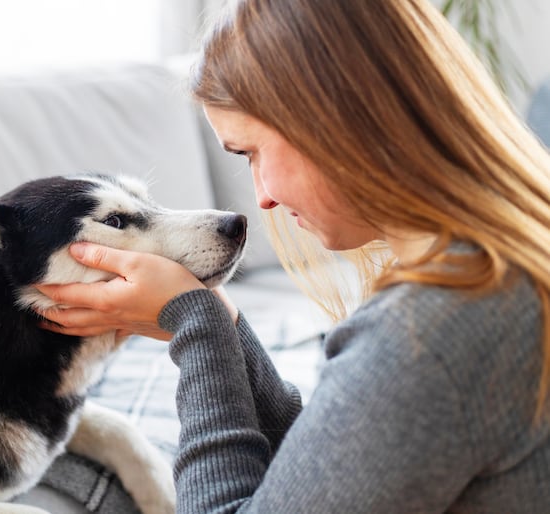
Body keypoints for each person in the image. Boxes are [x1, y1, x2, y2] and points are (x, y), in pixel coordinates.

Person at [36, 0, 550, 511]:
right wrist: (223, 325)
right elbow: (333, 472)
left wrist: (195, 325)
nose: (262, 197)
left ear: (334, 121)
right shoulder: (500, 268)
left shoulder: (429, 332)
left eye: (252, 152)